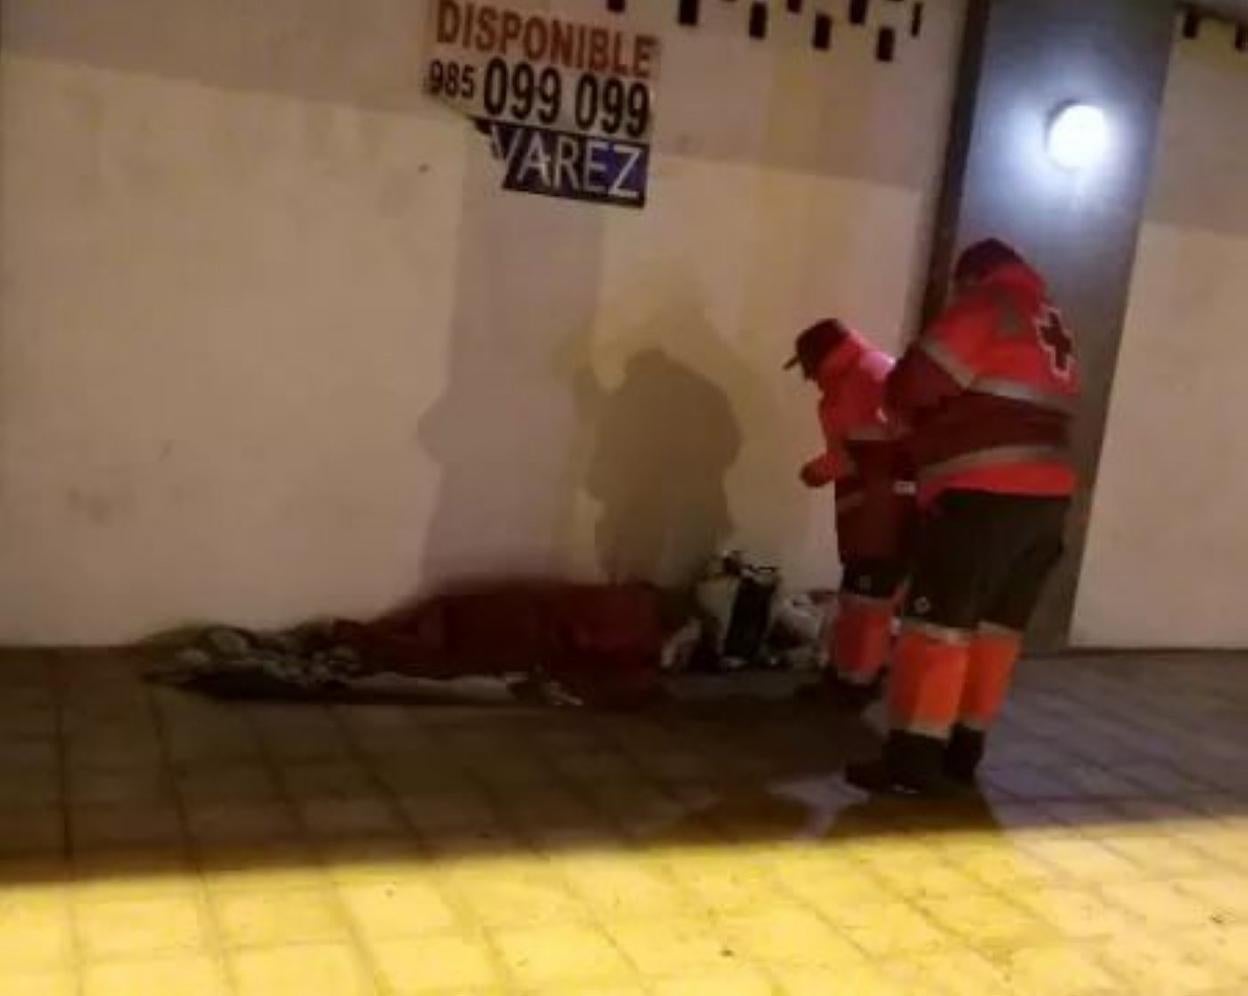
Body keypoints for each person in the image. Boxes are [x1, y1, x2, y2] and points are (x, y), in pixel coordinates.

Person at [846, 238, 1080, 796]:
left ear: (970, 278)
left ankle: (911, 760)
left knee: (937, 628)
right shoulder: (1050, 318)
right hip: (1047, 503)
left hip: (980, 494)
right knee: (997, 633)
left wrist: (910, 426)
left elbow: (913, 383)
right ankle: (962, 750)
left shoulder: (985, 306)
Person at [788, 319, 915, 711]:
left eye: (808, 368)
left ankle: (856, 682)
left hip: (882, 509)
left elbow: (870, 451)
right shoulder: (865, 372)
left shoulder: (861, 378)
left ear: (822, 358)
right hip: (876, 507)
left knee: (867, 598)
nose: (809, 379)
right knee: (862, 595)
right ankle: (849, 674)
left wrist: (819, 470)